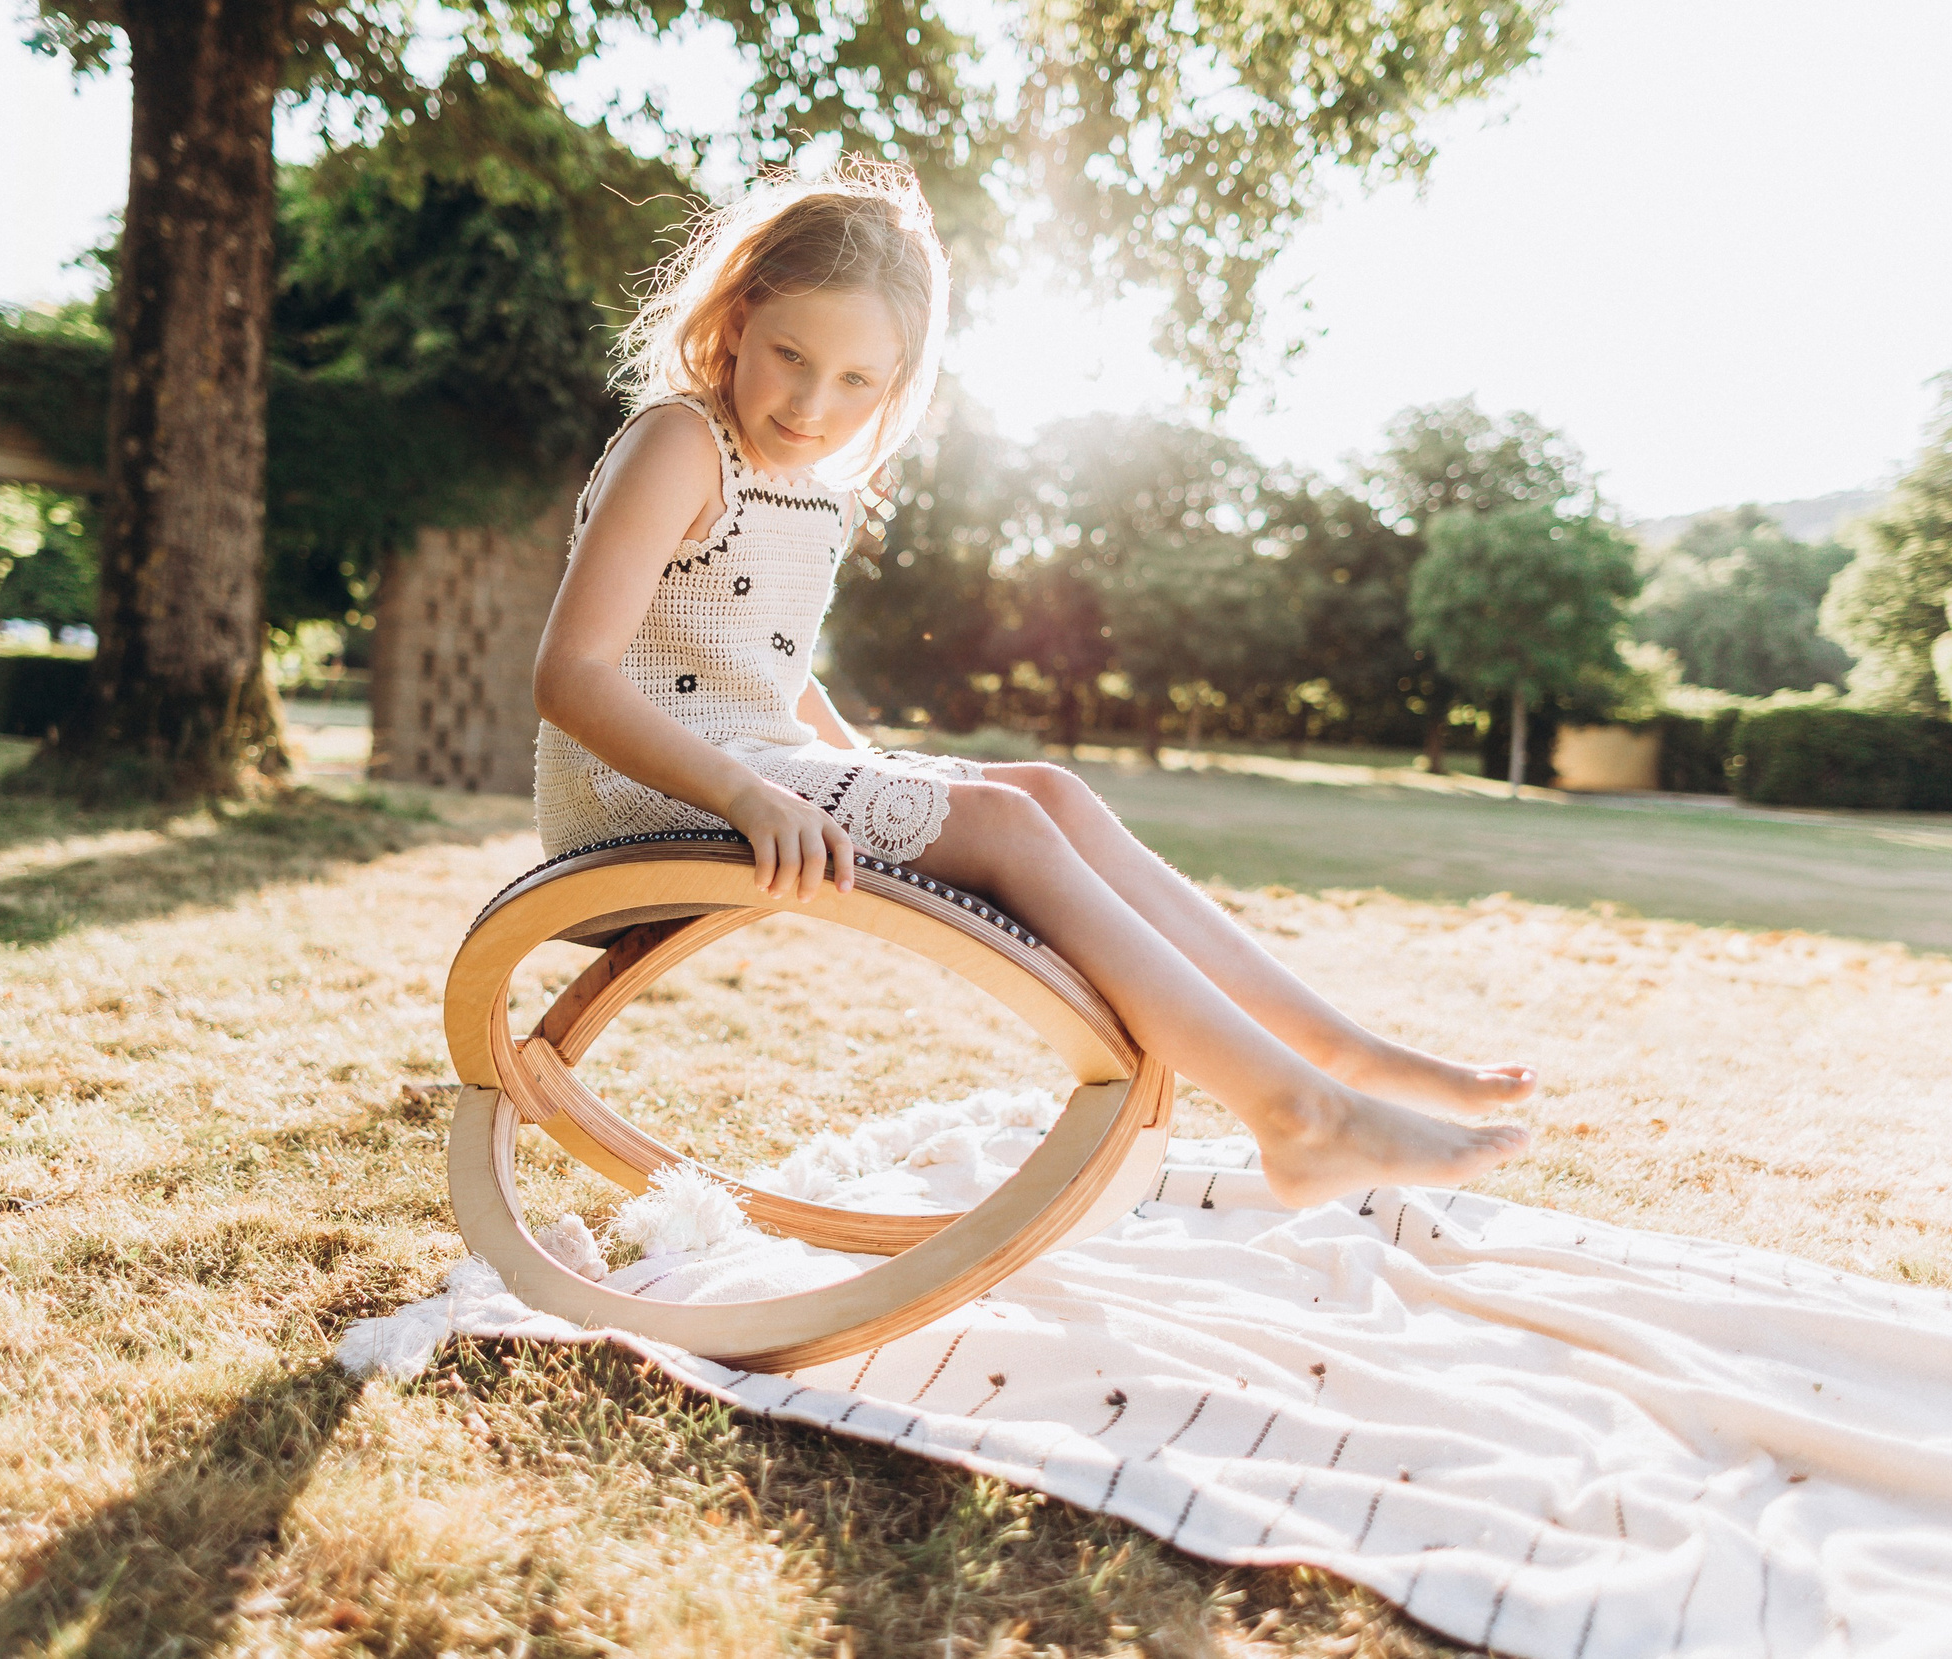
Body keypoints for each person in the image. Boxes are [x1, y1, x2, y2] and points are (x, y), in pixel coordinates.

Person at [531, 161, 1533, 1207]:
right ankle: (1299, 1112)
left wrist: (863, 766)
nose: (812, 404)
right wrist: (749, 793)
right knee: (1003, 830)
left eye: (856, 383)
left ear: (898, 383)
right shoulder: (680, 441)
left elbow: (762, 669)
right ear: (737, 318)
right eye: (789, 356)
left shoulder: (812, 486)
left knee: (1043, 792)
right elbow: (573, 674)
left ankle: (1340, 1053)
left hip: (751, 769)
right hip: (638, 792)